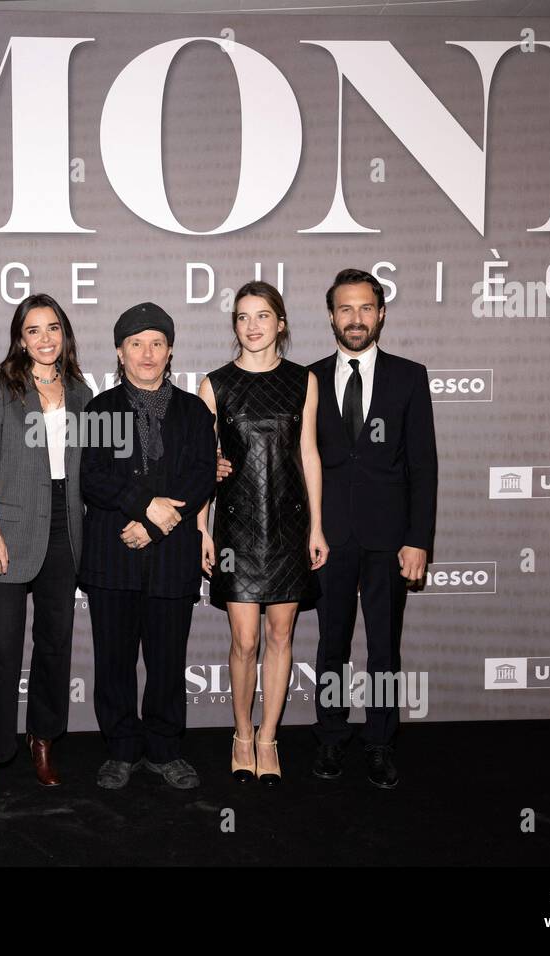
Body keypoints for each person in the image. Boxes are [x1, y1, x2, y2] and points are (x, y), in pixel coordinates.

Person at [218, 269, 436, 789]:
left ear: (381, 313)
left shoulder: (409, 376)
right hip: (322, 536)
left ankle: (381, 743)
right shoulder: (306, 378)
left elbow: (423, 465)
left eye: (365, 308)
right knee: (331, 644)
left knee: (384, 647)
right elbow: (290, 454)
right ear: (331, 316)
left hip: (388, 536)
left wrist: (418, 539)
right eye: (345, 309)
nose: (355, 318)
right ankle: (332, 739)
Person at [80, 302, 215, 791]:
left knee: (166, 661)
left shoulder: (193, 411)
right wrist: (143, 507)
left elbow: (202, 476)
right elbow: (92, 479)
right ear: (120, 352)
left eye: (157, 343)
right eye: (136, 344)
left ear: (171, 350)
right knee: (113, 661)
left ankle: (164, 749)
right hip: (112, 557)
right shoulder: (100, 408)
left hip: (173, 558)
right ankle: (120, 749)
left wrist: (158, 525)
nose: (147, 353)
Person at [198, 281, 328, 788]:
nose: (252, 326)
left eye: (262, 315)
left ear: (281, 323)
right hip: (236, 528)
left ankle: (269, 737)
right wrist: (202, 529)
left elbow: (309, 455)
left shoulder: (303, 381)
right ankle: (241, 735)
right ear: (235, 326)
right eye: (243, 317)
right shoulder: (216, 385)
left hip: (290, 525)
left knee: (280, 636)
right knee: (245, 640)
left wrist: (317, 525)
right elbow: (206, 467)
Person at [0, 293, 87, 813]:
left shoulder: (81, 393)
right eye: (32, 330)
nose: (43, 338)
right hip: (8, 529)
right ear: (19, 338)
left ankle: (43, 742)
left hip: (66, 529)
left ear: (64, 334)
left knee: (55, 645)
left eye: (52, 328)